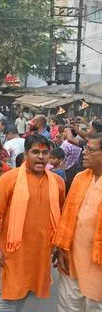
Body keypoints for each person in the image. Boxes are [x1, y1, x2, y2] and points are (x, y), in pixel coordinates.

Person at [0, 134, 65, 311]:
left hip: (40, 250)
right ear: (26, 154)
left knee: (26, 291)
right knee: (9, 295)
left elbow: (60, 216)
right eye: (35, 152)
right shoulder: (9, 179)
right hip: (13, 249)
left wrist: (58, 246)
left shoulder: (58, 183)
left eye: (45, 153)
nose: (40, 157)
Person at [54, 133, 102, 311]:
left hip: (98, 263)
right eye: (85, 148)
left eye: (90, 150)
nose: (84, 153)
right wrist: (60, 247)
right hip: (72, 257)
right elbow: (67, 214)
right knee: (69, 306)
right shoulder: (80, 178)